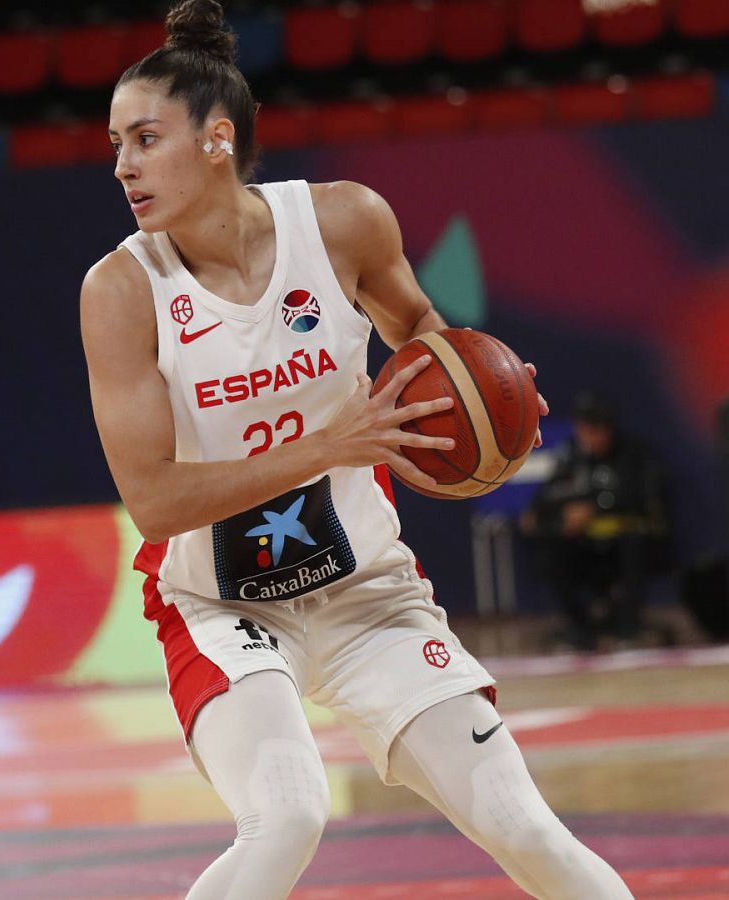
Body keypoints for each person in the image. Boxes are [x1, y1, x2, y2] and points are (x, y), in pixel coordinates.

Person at [78, 3, 631, 897]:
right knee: (287, 817)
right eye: (115, 145)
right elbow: (156, 502)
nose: (123, 166)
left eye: (145, 138)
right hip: (219, 607)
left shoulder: (342, 224)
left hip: (368, 588)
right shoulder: (120, 290)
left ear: (218, 139)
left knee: (527, 827)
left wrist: (485, 391)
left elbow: (422, 334)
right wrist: (327, 444)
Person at [521, 390, 670, 650]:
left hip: (625, 544)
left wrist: (595, 508)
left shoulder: (633, 454)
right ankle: (580, 628)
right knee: (552, 556)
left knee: (634, 545)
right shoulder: (570, 456)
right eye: (585, 428)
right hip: (585, 546)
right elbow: (546, 498)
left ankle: (628, 629)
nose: (590, 435)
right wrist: (553, 516)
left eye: (596, 428)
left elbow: (642, 497)